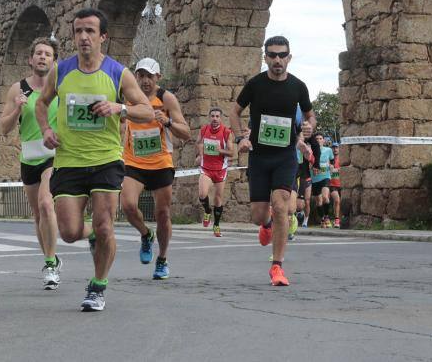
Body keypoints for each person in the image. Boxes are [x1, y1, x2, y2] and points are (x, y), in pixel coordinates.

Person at [36, 8, 153, 311]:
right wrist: (46, 129)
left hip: (106, 160)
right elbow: (41, 103)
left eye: (90, 31)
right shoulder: (61, 71)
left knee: (104, 226)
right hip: (69, 161)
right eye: (78, 31)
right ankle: (90, 237)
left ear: (103, 37)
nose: (83, 37)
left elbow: (147, 110)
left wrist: (119, 108)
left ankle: (98, 286)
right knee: (69, 232)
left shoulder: (118, 72)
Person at [229, 35, 315, 286]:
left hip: (285, 156)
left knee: (280, 205)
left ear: (289, 57)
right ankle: (265, 225)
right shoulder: (255, 84)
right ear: (265, 57)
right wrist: (239, 139)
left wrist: (308, 128)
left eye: (282, 55)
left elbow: (310, 116)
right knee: (258, 215)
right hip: (259, 156)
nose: (277, 60)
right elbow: (234, 112)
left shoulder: (298, 87)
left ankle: (277, 267)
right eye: (272, 55)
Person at [0, 37, 62, 289]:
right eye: (38, 53)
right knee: (38, 215)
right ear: (30, 59)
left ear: (54, 60)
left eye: (47, 54)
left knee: (46, 205)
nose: (42, 57)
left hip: (55, 157)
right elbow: (4, 128)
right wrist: (16, 109)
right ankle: (52, 258)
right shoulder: (18, 89)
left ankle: (49, 265)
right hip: (29, 158)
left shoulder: (61, 86)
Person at [121, 57, 191, 279]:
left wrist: (168, 122)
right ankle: (145, 234)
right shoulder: (129, 97)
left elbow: (186, 133)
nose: (145, 81)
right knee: (128, 205)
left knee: (163, 213)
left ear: (158, 77)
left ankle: (162, 259)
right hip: (134, 161)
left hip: (161, 162)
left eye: (149, 76)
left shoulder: (166, 98)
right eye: (140, 76)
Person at [196, 107, 235, 237]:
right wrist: (199, 155)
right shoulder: (204, 130)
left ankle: (216, 225)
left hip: (220, 169)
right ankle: (207, 211)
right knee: (202, 194)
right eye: (212, 116)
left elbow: (231, 153)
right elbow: (199, 143)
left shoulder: (226, 132)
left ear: (221, 118)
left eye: (217, 116)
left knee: (218, 199)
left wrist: (221, 151)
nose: (215, 118)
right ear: (209, 117)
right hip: (206, 168)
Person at [311, 133, 335, 228]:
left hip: (326, 176)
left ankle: (327, 217)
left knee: (325, 197)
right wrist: (311, 166)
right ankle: (322, 219)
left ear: (323, 141)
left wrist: (332, 165)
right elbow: (308, 161)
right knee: (318, 202)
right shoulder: (310, 151)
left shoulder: (328, 150)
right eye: (316, 139)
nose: (318, 140)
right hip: (315, 178)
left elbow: (332, 160)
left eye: (320, 138)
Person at [329, 143, 342, 228]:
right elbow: (329, 170)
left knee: (338, 202)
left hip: (341, 183)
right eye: (333, 147)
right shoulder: (329, 158)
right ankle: (337, 220)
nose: (335, 149)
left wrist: (335, 170)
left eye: (336, 147)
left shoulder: (343, 158)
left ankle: (338, 219)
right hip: (331, 183)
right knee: (337, 200)